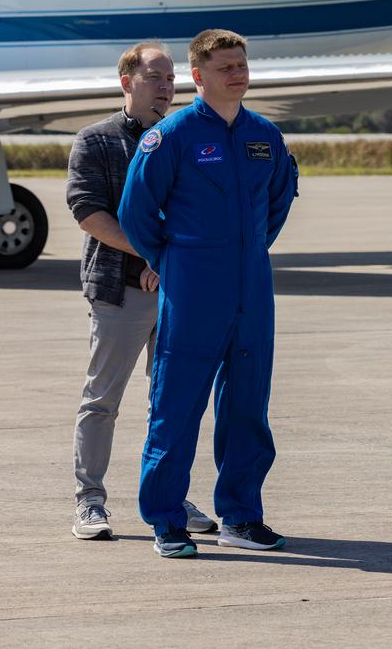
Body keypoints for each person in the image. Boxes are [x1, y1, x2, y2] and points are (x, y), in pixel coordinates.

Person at [119, 29, 298, 558]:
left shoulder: (264, 135)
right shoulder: (171, 136)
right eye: (225, 67)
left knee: (248, 405)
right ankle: (167, 519)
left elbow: (280, 199)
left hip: (251, 284)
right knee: (176, 404)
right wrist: (171, 260)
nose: (237, 74)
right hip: (194, 282)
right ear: (198, 76)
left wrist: (248, 249)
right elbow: (135, 212)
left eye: (242, 65)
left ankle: (241, 516)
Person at [66, 41, 216, 541]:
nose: (167, 87)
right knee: (102, 399)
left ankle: (169, 496)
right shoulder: (96, 140)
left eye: (172, 78)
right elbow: (89, 213)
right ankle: (90, 502)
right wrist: (151, 255)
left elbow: (195, 209)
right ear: (127, 82)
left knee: (171, 400)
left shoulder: (187, 137)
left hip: (178, 291)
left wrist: (171, 262)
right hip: (119, 290)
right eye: (156, 77)